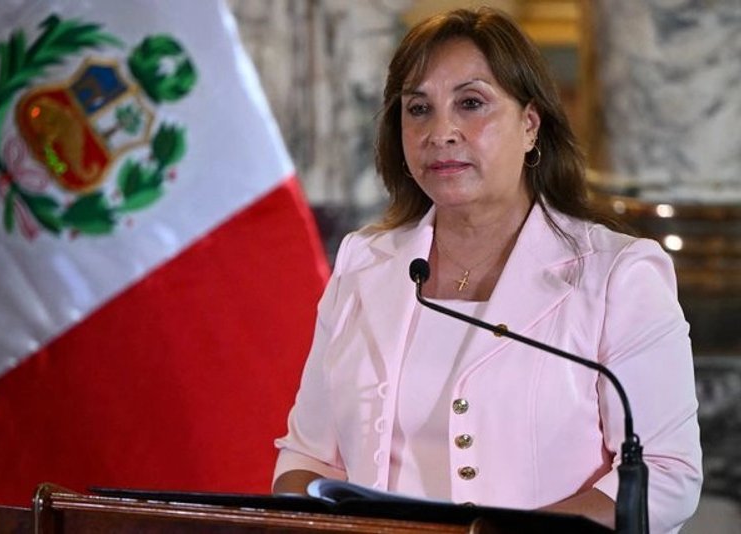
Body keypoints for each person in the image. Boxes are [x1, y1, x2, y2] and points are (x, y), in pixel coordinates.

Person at [272, 7, 702, 533]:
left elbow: (663, 472)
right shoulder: (366, 264)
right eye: (418, 109)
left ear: (529, 124)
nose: (441, 131)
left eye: (471, 103)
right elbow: (307, 458)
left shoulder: (618, 275)